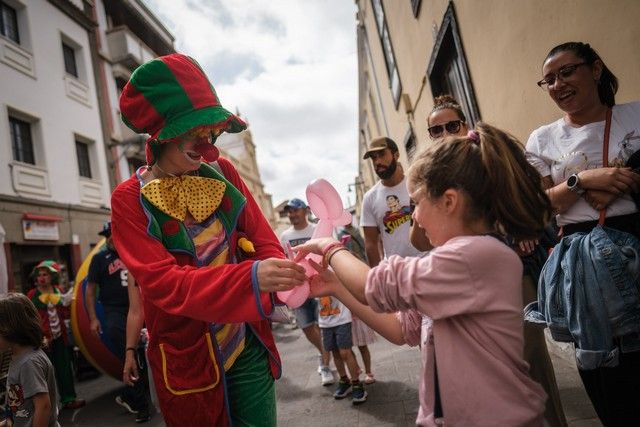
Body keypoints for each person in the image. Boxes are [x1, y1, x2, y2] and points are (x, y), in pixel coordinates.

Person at [296, 123, 550, 426]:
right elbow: (401, 329)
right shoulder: (457, 260)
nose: (413, 216)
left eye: (416, 203)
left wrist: (329, 248)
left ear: (449, 202)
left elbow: (375, 286)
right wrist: (336, 286)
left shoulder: (475, 257)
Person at [110, 53, 305, 427]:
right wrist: (250, 279)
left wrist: (285, 279)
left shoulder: (223, 171)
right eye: (196, 129)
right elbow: (164, 285)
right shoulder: (128, 199)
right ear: (164, 130)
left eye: (211, 130)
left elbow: (263, 239)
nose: (208, 141)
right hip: (188, 358)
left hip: (246, 342)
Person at [426, 95, 567, 427]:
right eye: (436, 130)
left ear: (466, 124)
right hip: (463, 284)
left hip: (511, 278)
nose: (445, 133)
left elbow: (532, 203)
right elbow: (425, 236)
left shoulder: (491, 158)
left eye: (452, 125)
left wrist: (520, 230)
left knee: (530, 367)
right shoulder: (433, 176)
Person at [526, 41, 640, 426]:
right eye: (549, 80)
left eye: (566, 72)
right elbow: (539, 208)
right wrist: (584, 179)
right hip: (580, 258)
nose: (558, 84)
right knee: (606, 371)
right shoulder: (542, 139)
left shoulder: (635, 115)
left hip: (634, 236)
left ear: (595, 69)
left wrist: (619, 183)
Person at [85, 222, 151, 423]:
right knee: (128, 355)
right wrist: (93, 319)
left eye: (114, 233)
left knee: (144, 355)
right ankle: (141, 405)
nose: (111, 238)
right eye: (108, 235)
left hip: (140, 307)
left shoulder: (132, 252)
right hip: (115, 312)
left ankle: (134, 396)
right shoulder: (99, 259)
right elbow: (90, 291)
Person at [279, 198, 334, 386]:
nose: (292, 214)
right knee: (306, 326)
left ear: (305, 211)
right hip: (298, 288)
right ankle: (323, 352)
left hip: (320, 285)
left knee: (323, 326)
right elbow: (285, 258)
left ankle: (325, 365)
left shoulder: (315, 230)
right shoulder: (285, 235)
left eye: (295, 210)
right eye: (289, 212)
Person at [26, 261, 85, 411]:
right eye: (39, 275)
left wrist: (67, 305)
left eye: (45, 274)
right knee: (43, 374)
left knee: (64, 368)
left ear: (52, 276)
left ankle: (68, 399)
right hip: (42, 340)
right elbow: (29, 317)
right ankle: (46, 406)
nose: (42, 278)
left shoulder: (58, 290)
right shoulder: (33, 294)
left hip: (60, 337)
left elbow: (65, 313)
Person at [360, 136, 424, 268]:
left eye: (382, 154)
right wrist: (378, 279)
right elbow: (371, 243)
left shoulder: (418, 183)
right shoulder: (369, 198)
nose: (377, 161)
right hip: (398, 272)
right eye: (373, 157)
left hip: (428, 261)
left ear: (396, 154)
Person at [0, 293, 60, 427]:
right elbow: (22, 408)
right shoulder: (19, 358)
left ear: (10, 328)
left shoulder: (29, 362)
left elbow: (43, 406)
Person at [337, 223, 376, 384]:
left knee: (362, 345)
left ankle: (368, 371)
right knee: (348, 347)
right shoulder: (340, 268)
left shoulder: (358, 263)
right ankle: (358, 369)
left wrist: (357, 258)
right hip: (345, 315)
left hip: (358, 313)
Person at [317, 296, 366, 404]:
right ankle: (344, 380)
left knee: (345, 352)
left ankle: (356, 384)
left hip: (342, 319)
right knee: (335, 353)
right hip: (325, 322)